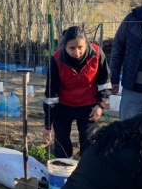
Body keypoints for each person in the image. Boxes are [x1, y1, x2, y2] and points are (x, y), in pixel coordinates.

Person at [42, 26, 111, 158]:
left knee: (88, 141)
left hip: (88, 106)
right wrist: (48, 125)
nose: (77, 52)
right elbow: (51, 94)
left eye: (80, 47)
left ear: (87, 44)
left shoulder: (97, 54)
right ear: (64, 47)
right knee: (61, 142)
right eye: (72, 48)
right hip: (64, 106)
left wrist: (100, 105)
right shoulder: (56, 60)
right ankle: (64, 171)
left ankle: (85, 171)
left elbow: (104, 82)